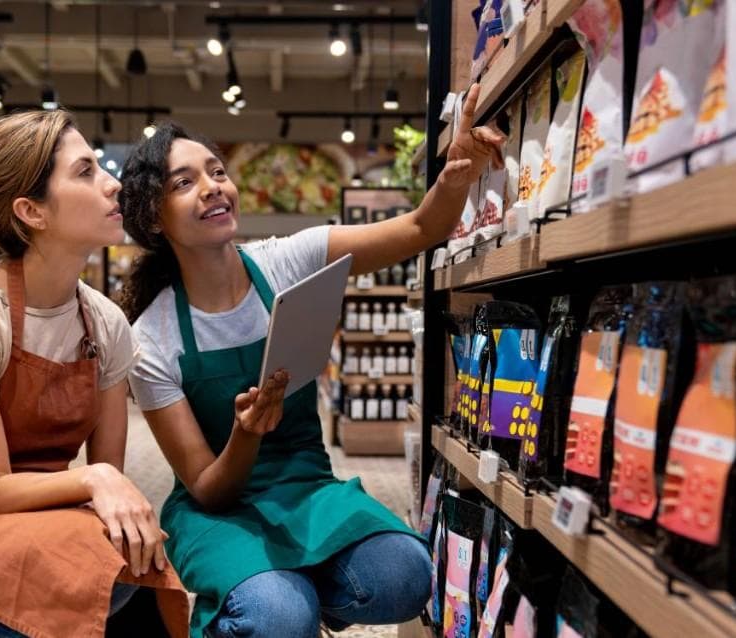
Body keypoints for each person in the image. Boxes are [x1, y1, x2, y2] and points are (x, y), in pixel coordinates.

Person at [117, 85, 505, 638]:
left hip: (305, 486)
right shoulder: (150, 337)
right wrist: (246, 433)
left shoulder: (287, 262)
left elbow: (419, 229)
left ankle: (291, 589)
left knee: (406, 576)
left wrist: (455, 176)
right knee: (278, 618)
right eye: (185, 183)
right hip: (219, 512)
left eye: (217, 171)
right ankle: (270, 603)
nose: (213, 188)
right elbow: (207, 486)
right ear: (154, 220)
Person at [0, 110, 188, 638]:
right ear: (31, 211)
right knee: (97, 567)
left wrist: (106, 485)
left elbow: (103, 493)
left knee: (137, 558)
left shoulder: (103, 321)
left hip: (37, 528)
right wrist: (96, 476)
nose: (113, 185)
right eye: (85, 172)